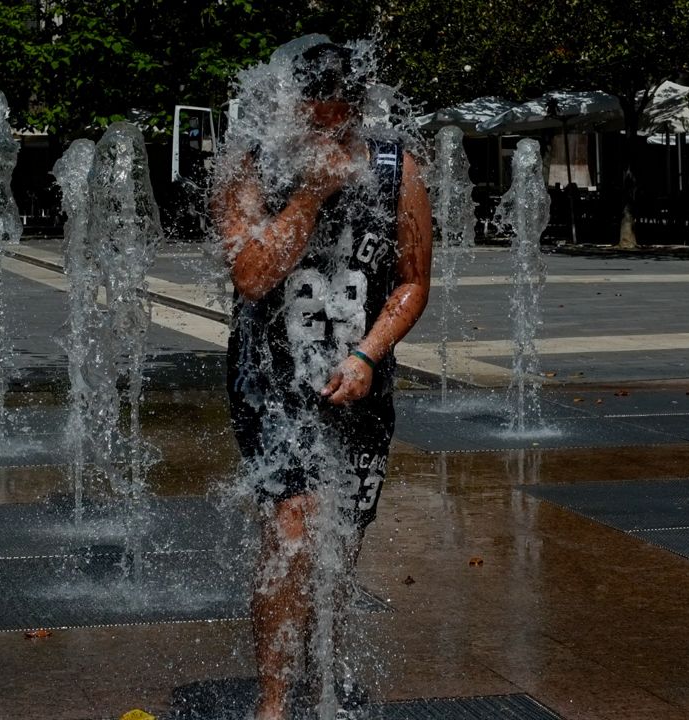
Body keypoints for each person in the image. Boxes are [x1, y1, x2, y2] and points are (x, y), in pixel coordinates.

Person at [212, 39, 432, 720]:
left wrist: (369, 353)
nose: (331, 130)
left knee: (341, 544)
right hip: (270, 382)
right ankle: (273, 703)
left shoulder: (398, 169)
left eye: (344, 118)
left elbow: (414, 283)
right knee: (295, 524)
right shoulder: (251, 164)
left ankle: (321, 679)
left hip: (360, 380)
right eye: (317, 117)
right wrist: (312, 192)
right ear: (293, 105)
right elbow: (251, 275)